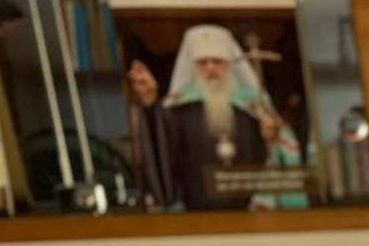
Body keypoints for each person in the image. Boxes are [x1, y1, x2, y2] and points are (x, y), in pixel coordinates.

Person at [124, 23, 303, 212]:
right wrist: (151, 102)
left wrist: (271, 141)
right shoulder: (177, 108)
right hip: (194, 217)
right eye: (203, 62)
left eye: (217, 61)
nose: (210, 68)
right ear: (193, 67)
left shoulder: (252, 106)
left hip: (249, 216)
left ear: (230, 65)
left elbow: (278, 157)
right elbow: (161, 154)